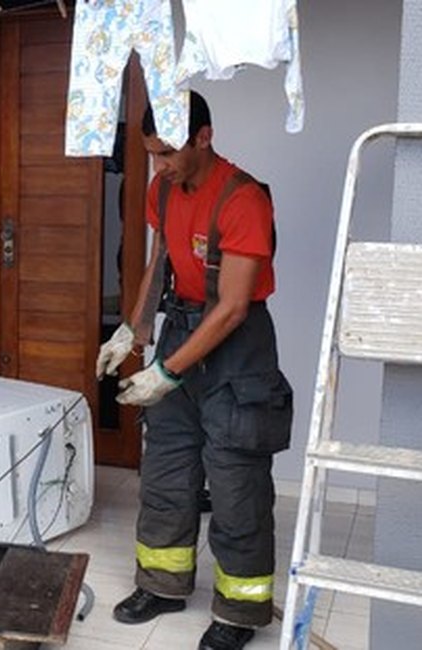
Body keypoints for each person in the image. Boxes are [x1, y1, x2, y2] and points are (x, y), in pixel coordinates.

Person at [95, 91, 293, 650]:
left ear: (203, 137)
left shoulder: (242, 199)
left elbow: (231, 307)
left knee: (236, 484)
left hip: (239, 348)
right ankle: (162, 584)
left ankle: (239, 612)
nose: (158, 167)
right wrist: (132, 331)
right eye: (152, 154)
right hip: (181, 330)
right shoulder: (163, 188)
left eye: (166, 154)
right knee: (166, 468)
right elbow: (159, 261)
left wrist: (167, 372)